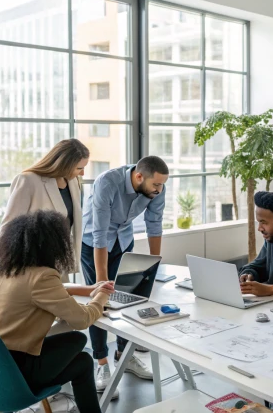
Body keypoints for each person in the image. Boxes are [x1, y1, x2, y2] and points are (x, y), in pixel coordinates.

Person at [0, 211, 115, 413]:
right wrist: (103, 295)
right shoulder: (42, 277)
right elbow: (82, 319)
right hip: (14, 373)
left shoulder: (6, 271)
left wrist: (89, 290)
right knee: (78, 343)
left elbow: (47, 292)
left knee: (82, 357)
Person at [81, 156, 169, 390]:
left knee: (129, 298)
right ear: (139, 177)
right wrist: (101, 282)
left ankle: (124, 354)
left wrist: (153, 265)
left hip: (123, 242)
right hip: (93, 245)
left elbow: (154, 224)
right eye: (156, 185)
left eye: (162, 185)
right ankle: (101, 362)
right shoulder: (107, 183)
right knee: (98, 303)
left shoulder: (156, 188)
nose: (159, 190)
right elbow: (100, 234)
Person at [0, 139, 89, 279]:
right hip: (33, 264)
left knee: (62, 299)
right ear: (64, 164)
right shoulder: (28, 180)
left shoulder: (73, 181)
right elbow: (9, 227)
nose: (82, 173)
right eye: (79, 168)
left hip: (60, 259)